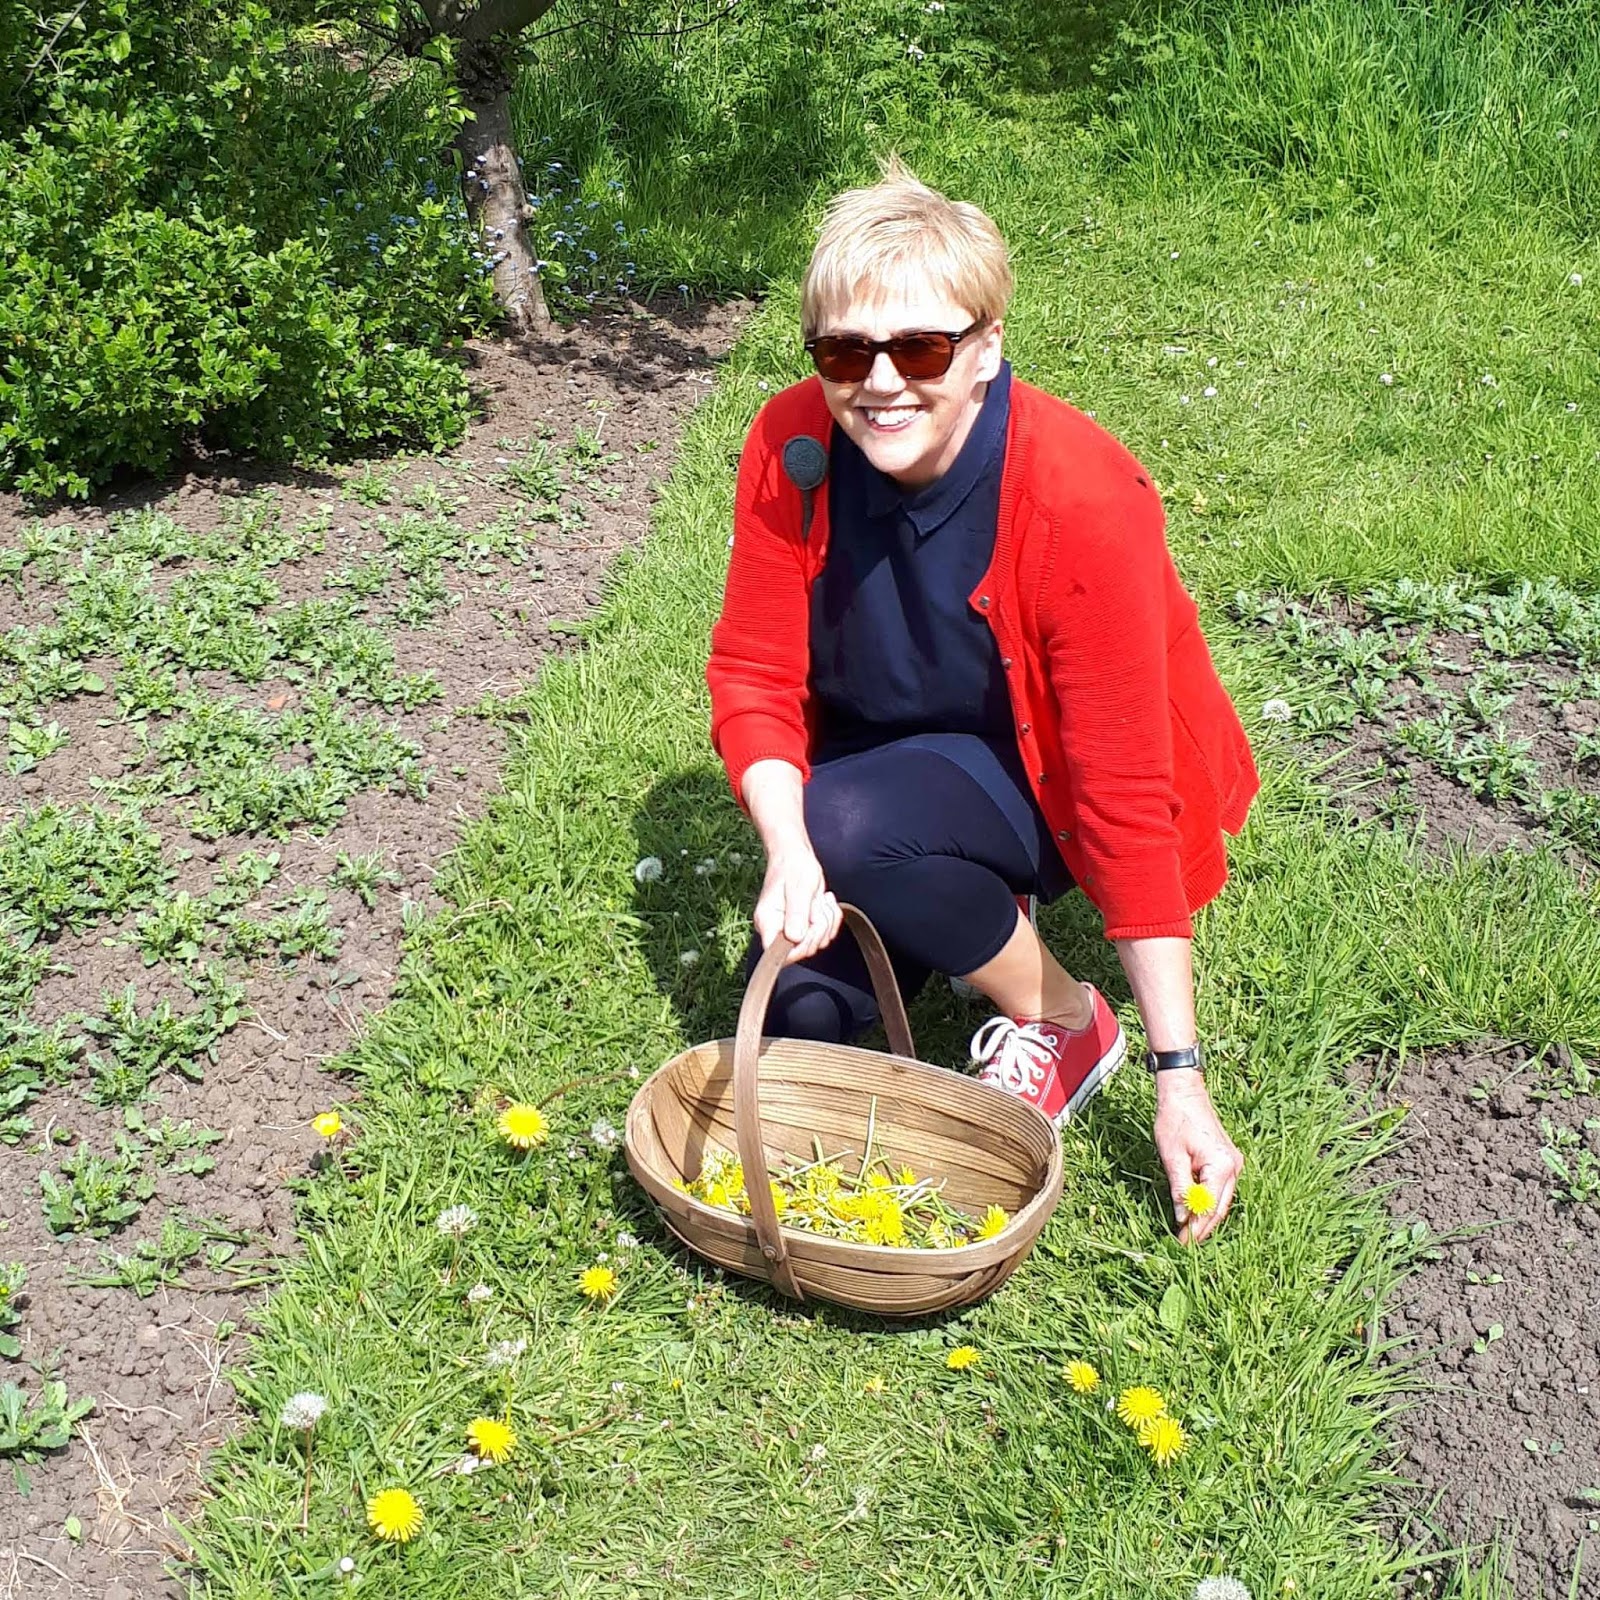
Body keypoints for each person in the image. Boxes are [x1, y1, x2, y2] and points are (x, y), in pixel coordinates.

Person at [705, 162, 1258, 1243]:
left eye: (919, 348)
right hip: (887, 766)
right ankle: (917, 891)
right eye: (842, 352)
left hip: (1039, 780)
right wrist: (787, 853)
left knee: (849, 826)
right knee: (799, 1034)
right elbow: (754, 674)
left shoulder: (1080, 495)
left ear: (986, 348)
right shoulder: (795, 447)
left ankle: (1065, 1018)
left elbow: (1121, 788)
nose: (880, 382)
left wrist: (1177, 1070)